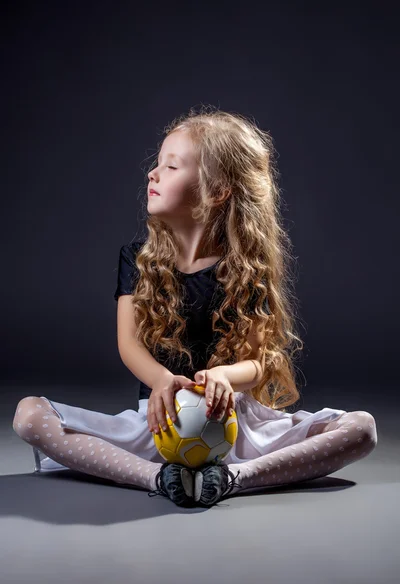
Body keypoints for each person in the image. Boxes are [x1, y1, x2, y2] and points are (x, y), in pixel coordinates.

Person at [12, 107, 378, 509]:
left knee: (361, 429)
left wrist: (224, 375)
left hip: (233, 426)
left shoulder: (245, 269)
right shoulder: (137, 258)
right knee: (29, 416)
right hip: (159, 421)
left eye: (171, 167)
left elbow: (258, 361)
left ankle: (232, 478)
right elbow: (129, 344)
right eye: (157, 164)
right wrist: (162, 381)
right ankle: (157, 476)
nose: (152, 174)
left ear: (217, 190)